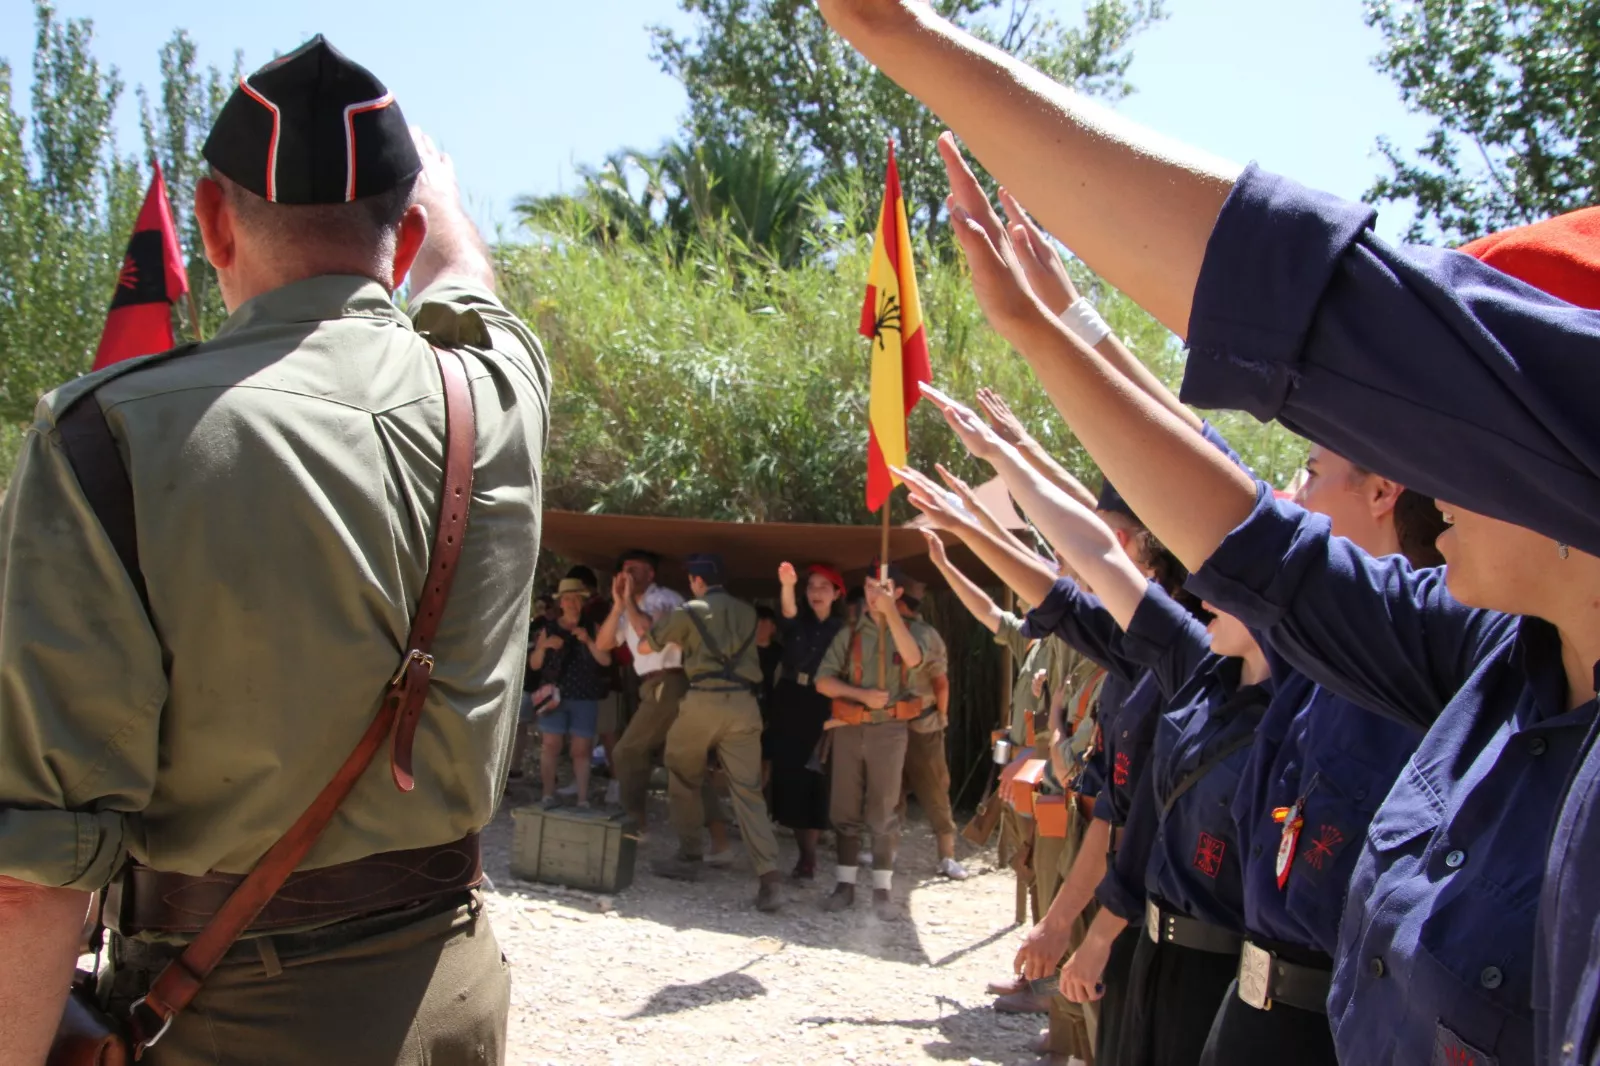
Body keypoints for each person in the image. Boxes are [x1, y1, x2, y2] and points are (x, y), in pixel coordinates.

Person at [921, 117, 1597, 1066]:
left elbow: (1213, 523)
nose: (1292, 496)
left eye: (1312, 472)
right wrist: (1057, 329)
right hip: (1238, 1000)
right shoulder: (1456, 659)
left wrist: (1054, 342)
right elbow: (1224, 525)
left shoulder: (1427, 651)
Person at [0, 36, 548, 1065]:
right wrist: (437, 192)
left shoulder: (103, 437)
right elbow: (469, 280)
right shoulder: (495, 397)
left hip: (220, 1014)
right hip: (449, 993)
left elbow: (32, 874)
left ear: (211, 221)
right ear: (406, 233)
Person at [901, 392, 1272, 1066]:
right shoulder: (1157, 653)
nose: (1075, 549)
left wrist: (1009, 460)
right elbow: (1069, 589)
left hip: (1192, 950)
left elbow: (1091, 556)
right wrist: (977, 513)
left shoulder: (1195, 660)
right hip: (1137, 918)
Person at [634, 554, 784, 912]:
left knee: (682, 770)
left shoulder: (688, 611)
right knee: (748, 791)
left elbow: (645, 646)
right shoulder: (748, 612)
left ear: (697, 581)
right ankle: (770, 878)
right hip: (745, 704)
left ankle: (689, 855)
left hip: (703, 700)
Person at [815, 569, 937, 919]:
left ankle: (882, 890)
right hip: (850, 727)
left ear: (897, 591)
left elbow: (914, 659)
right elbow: (823, 682)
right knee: (843, 808)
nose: (873, 594)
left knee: (883, 809)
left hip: (890, 730)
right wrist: (861, 695)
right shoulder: (850, 633)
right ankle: (845, 885)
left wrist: (891, 614)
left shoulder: (914, 632)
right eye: (869, 587)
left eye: (881, 588)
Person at [597, 549, 732, 858]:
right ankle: (720, 842)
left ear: (651, 574)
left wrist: (628, 603)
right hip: (654, 685)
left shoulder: (665, 599)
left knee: (627, 751)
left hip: (670, 681)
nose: (628, 575)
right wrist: (618, 606)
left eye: (635, 569)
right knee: (686, 765)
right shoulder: (629, 606)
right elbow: (604, 644)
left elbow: (652, 634)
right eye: (624, 570)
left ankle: (635, 827)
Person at [768, 561, 846, 880]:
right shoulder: (797, 622)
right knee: (791, 776)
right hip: (790, 700)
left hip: (823, 703)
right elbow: (787, 612)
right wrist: (787, 585)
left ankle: (809, 856)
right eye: (811, 586)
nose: (816, 592)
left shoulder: (845, 630)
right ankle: (802, 851)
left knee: (816, 778)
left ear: (837, 594)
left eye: (824, 587)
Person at [895, 577, 967, 881]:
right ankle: (887, 850)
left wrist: (941, 715)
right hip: (891, 723)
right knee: (891, 789)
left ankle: (947, 855)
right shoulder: (885, 632)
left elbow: (940, 682)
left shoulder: (925, 635)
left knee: (935, 788)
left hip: (923, 724)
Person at [528, 577, 613, 809]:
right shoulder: (548, 629)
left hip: (584, 695)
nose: (572, 603)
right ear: (561, 602)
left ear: (583, 601)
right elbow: (534, 664)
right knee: (550, 745)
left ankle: (582, 799)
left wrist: (588, 641)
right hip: (553, 696)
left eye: (577, 599)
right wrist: (544, 647)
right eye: (568, 599)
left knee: (581, 749)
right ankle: (547, 795)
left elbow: (605, 660)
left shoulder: (593, 627)